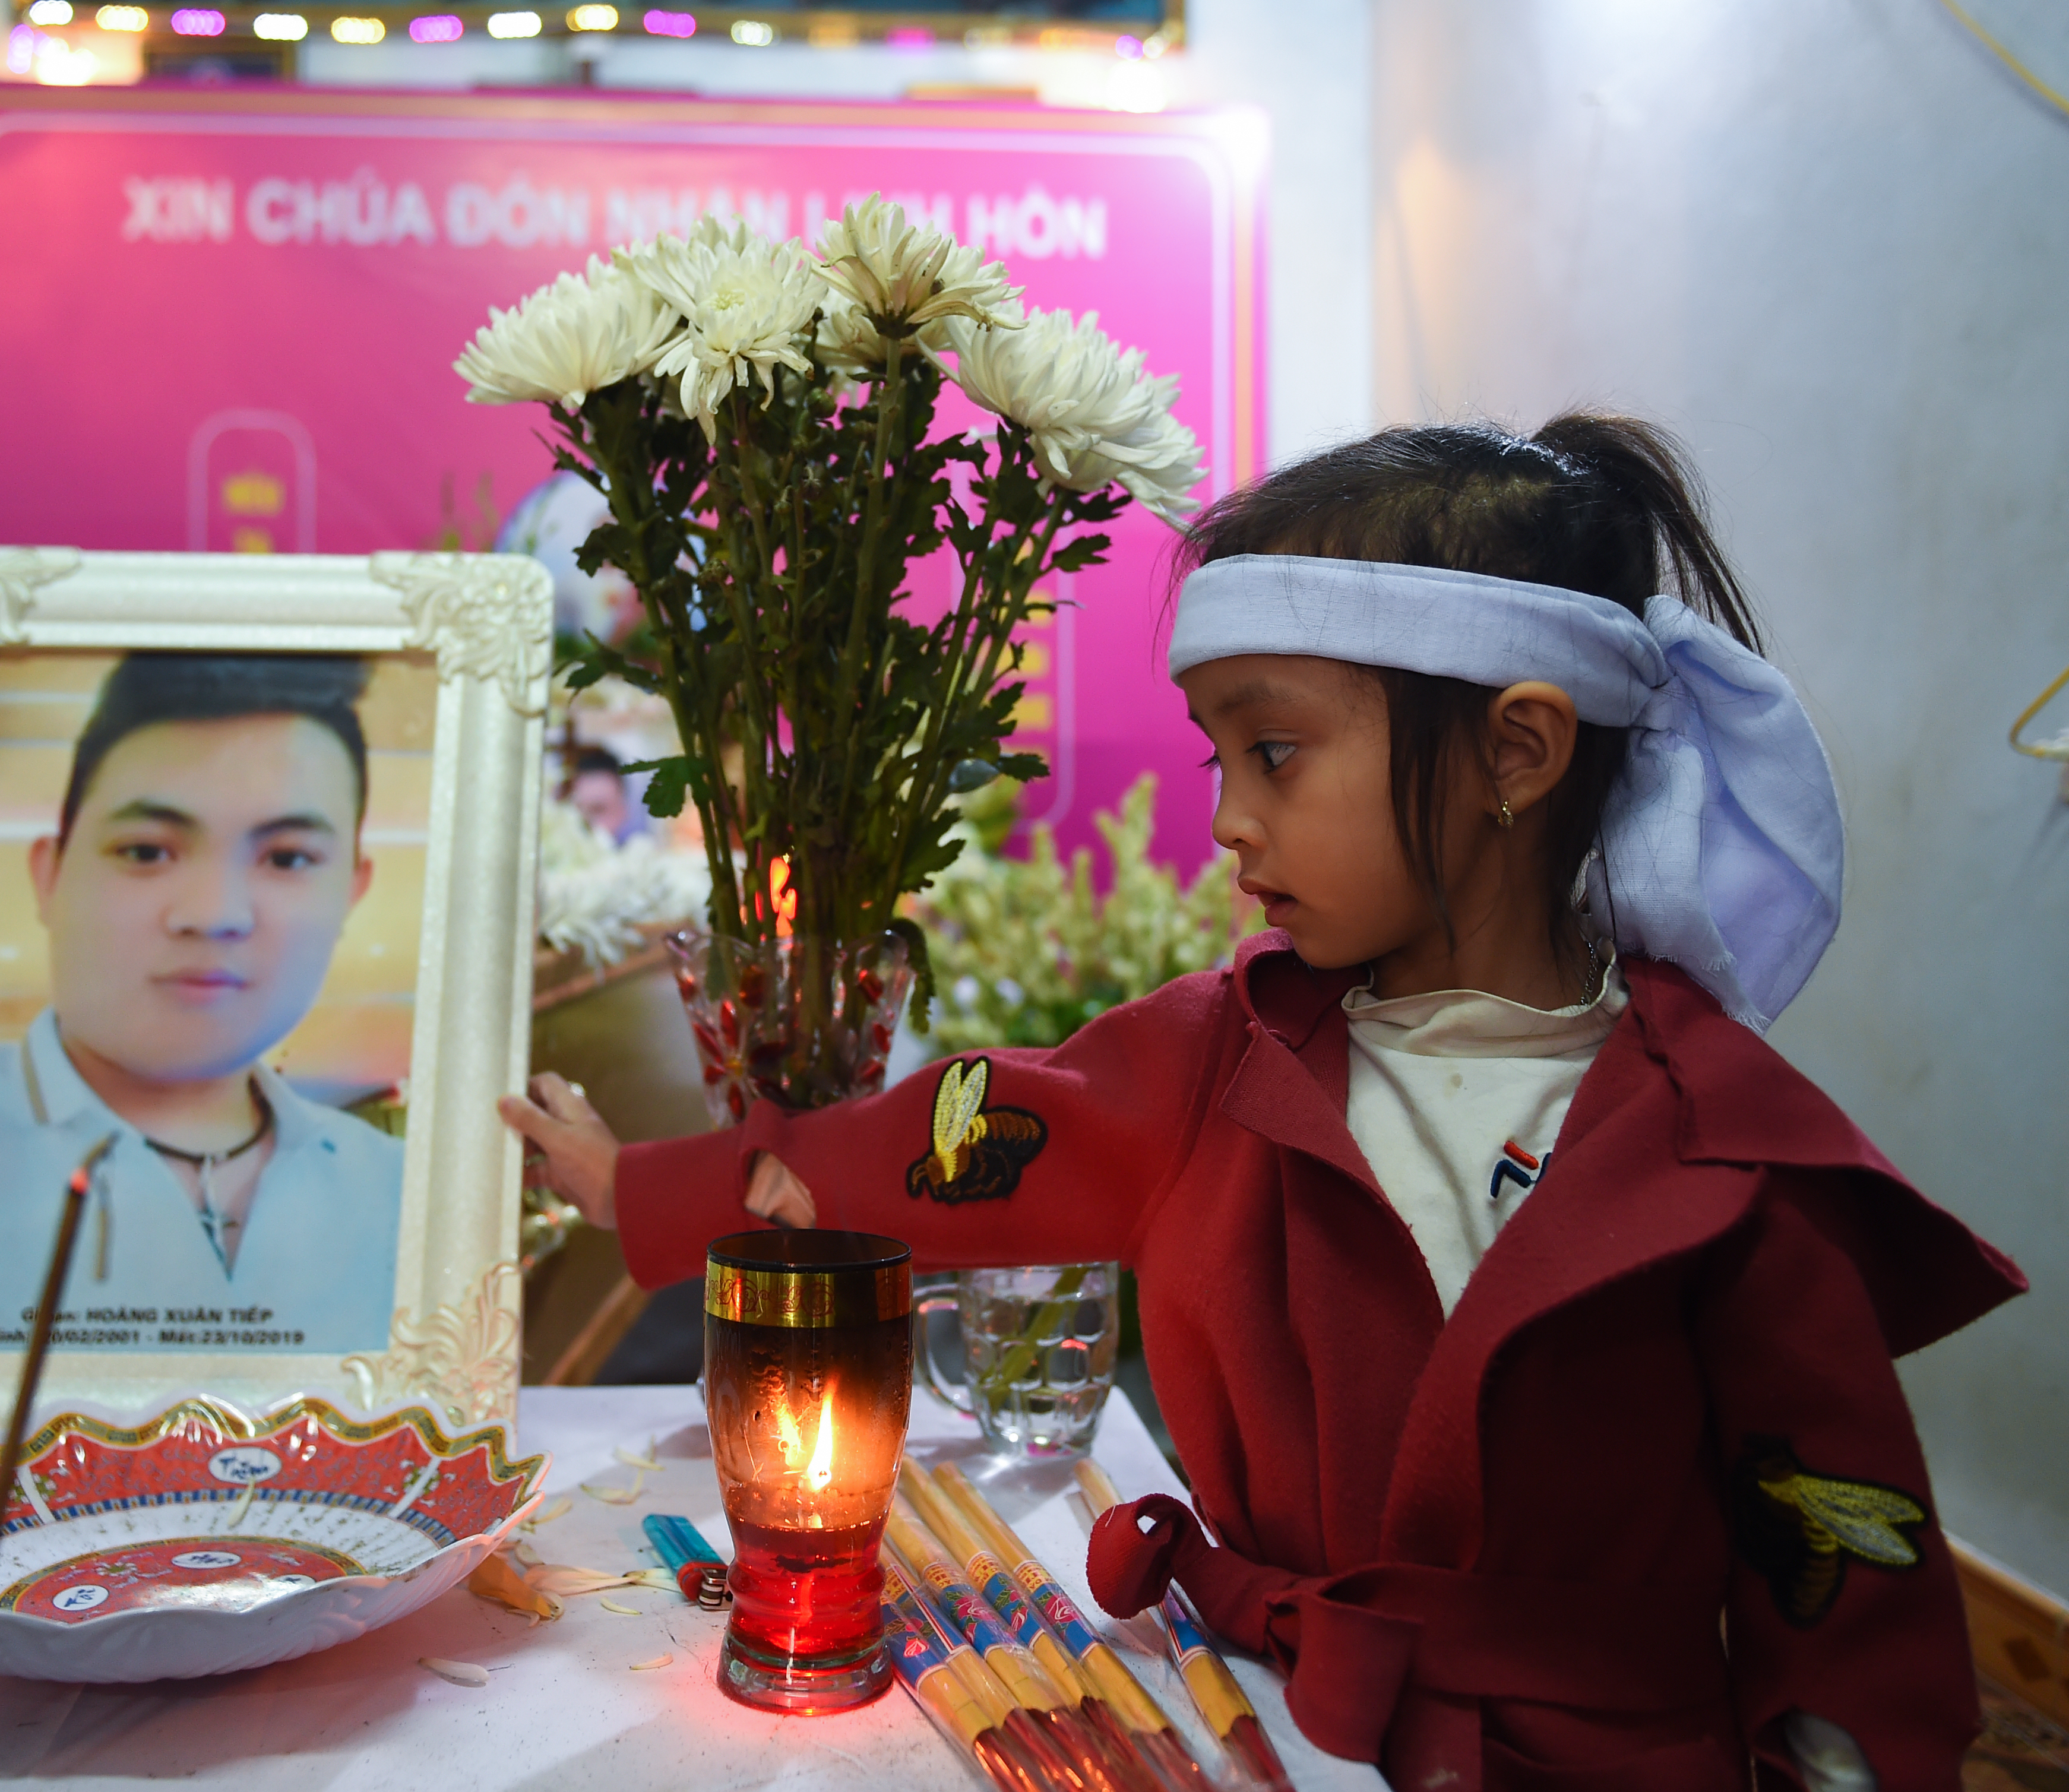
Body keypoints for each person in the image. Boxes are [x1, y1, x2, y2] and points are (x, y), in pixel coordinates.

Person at [500, 417, 2026, 1791]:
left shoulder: (1727, 1163)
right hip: (1257, 1727)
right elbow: (941, 1136)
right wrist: (646, 1185)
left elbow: (1845, 1607)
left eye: (1275, 752)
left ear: (1514, 749)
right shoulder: (1216, 1068)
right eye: (1220, 754)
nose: (1226, 819)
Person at [0, 651, 404, 1355]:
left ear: (353, 890)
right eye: (148, 852)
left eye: (286, 859)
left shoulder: (398, 1192)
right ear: (50, 874)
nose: (215, 915)